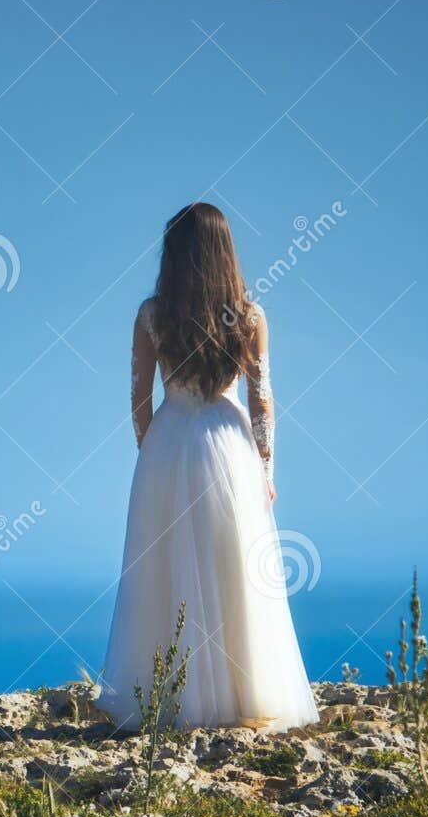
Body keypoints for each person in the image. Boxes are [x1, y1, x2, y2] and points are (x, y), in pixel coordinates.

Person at [97, 202, 319, 731]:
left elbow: (137, 397)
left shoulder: (152, 315)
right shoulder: (249, 315)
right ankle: (244, 695)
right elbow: (262, 399)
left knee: (166, 566)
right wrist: (266, 470)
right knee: (235, 564)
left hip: (170, 442)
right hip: (229, 445)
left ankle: (169, 697)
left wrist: (152, 452)